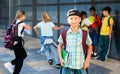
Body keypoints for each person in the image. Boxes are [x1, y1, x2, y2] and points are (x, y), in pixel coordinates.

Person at [58, 9, 92, 74]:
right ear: (68, 20)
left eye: (76, 18)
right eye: (71, 18)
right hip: (67, 66)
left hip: (80, 66)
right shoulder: (64, 33)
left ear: (80, 19)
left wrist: (87, 61)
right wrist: (60, 58)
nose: (73, 21)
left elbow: (90, 46)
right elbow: (59, 45)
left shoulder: (85, 33)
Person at [4, 10, 31, 74]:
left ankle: (10, 63)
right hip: (17, 42)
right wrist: (29, 26)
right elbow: (29, 29)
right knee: (20, 59)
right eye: (25, 15)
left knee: (23, 55)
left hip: (14, 42)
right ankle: (14, 70)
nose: (25, 16)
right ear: (22, 15)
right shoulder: (22, 23)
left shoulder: (14, 22)